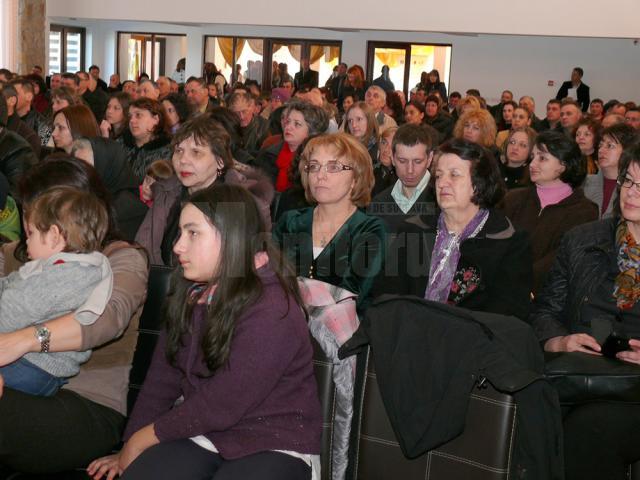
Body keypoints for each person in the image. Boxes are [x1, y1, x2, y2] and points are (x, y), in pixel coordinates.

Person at [90, 184, 321, 480]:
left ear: (231, 236)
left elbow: (225, 402)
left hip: (274, 439)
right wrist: (128, 450)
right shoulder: (193, 294)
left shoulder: (274, 307)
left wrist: (143, 439)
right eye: (180, 233)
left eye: (193, 233)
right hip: (204, 433)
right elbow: (162, 380)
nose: (177, 246)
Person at [0, 156, 148, 474]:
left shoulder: (120, 259)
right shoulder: (23, 252)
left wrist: (23, 340)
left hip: (87, 403)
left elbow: (105, 318)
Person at [529, 143, 640, 480]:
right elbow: (545, 310)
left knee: (589, 429)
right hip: (580, 368)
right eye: (629, 182)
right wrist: (559, 341)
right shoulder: (581, 239)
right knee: (534, 409)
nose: (632, 193)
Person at [373, 138, 532, 321]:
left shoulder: (508, 242)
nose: (442, 183)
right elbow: (386, 298)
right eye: (439, 175)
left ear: (479, 183)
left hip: (471, 344)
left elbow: (505, 319)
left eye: (454, 175)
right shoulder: (413, 230)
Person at [0, 187, 112, 397]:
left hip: (35, 368)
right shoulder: (63, 266)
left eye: (31, 233)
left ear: (53, 236)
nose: (26, 241)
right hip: (31, 365)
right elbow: (11, 283)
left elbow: (9, 315)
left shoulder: (68, 275)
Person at [135, 114, 273, 266]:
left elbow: (241, 268)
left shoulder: (244, 202)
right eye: (179, 151)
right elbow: (143, 251)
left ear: (220, 161)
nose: (183, 160)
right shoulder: (167, 192)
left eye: (196, 152)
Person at [274, 132, 385, 313]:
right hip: (284, 326)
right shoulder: (290, 221)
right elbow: (268, 283)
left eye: (333, 167)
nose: (320, 175)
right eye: (314, 166)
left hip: (341, 335)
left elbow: (349, 297)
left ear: (355, 178)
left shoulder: (369, 229)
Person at [500, 130, 598, 294]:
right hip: (500, 288)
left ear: (563, 165)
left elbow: (559, 260)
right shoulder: (513, 199)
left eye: (542, 158)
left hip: (545, 299)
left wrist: (519, 281)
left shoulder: (584, 212)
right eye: (533, 157)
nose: (532, 164)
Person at [71, 136, 150, 242]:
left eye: (87, 166)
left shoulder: (128, 209)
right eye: (78, 166)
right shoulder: (90, 195)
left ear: (106, 166)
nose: (80, 172)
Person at [368, 123, 436, 234]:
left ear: (429, 159)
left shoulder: (443, 202)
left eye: (417, 161)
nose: (410, 170)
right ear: (393, 158)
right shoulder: (378, 203)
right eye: (402, 161)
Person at [254, 101, 328, 192]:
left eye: (297, 124)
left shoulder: (316, 161)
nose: (288, 127)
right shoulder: (269, 154)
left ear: (311, 131)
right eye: (288, 122)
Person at [584, 123, 638, 218]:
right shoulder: (584, 183)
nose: (601, 150)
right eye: (600, 145)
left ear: (627, 150)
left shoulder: (633, 189)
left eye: (610, 146)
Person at [117, 97, 172, 181]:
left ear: (155, 120)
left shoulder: (166, 152)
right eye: (130, 116)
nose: (132, 120)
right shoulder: (120, 143)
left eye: (138, 115)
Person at [228, 91, 269, 157]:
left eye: (244, 111)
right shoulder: (227, 125)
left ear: (252, 108)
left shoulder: (264, 127)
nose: (241, 117)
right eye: (237, 113)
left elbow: (265, 155)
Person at [371, 126, 398, 197]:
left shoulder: (403, 180)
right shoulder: (373, 169)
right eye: (384, 142)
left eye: (392, 146)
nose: (386, 150)